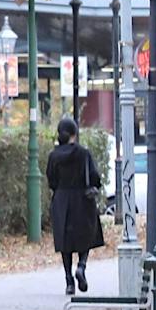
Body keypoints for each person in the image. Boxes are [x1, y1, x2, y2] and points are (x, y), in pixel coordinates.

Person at [45, 115, 102, 296]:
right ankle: (82, 267)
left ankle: (69, 282)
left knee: (65, 242)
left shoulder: (53, 156)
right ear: (74, 134)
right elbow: (94, 176)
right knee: (87, 235)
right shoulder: (83, 153)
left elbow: (51, 180)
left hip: (61, 200)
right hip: (81, 199)